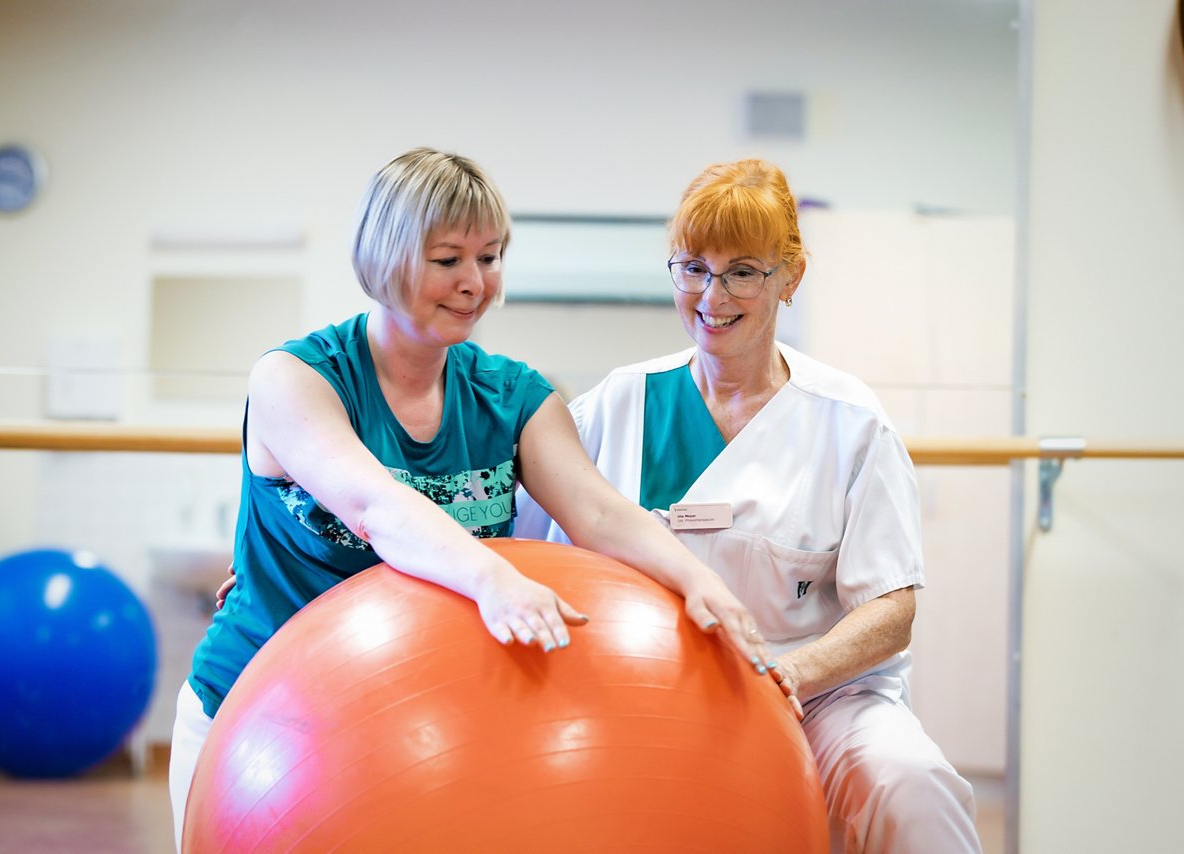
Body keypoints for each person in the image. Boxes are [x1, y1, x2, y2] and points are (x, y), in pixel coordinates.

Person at [168, 148, 776, 851]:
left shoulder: (513, 395)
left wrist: (697, 579)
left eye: (489, 258)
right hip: (264, 727)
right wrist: (492, 575)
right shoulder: (296, 378)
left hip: (413, 734)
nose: (474, 283)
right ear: (387, 257)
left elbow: (599, 512)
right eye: (447, 259)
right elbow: (375, 507)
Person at [515, 158, 982, 853]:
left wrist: (791, 676)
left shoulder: (848, 423)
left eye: (742, 271)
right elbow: (526, 544)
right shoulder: (618, 404)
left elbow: (892, 612)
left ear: (789, 276)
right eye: (694, 267)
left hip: (820, 695)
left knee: (910, 784)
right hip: (642, 692)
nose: (712, 294)